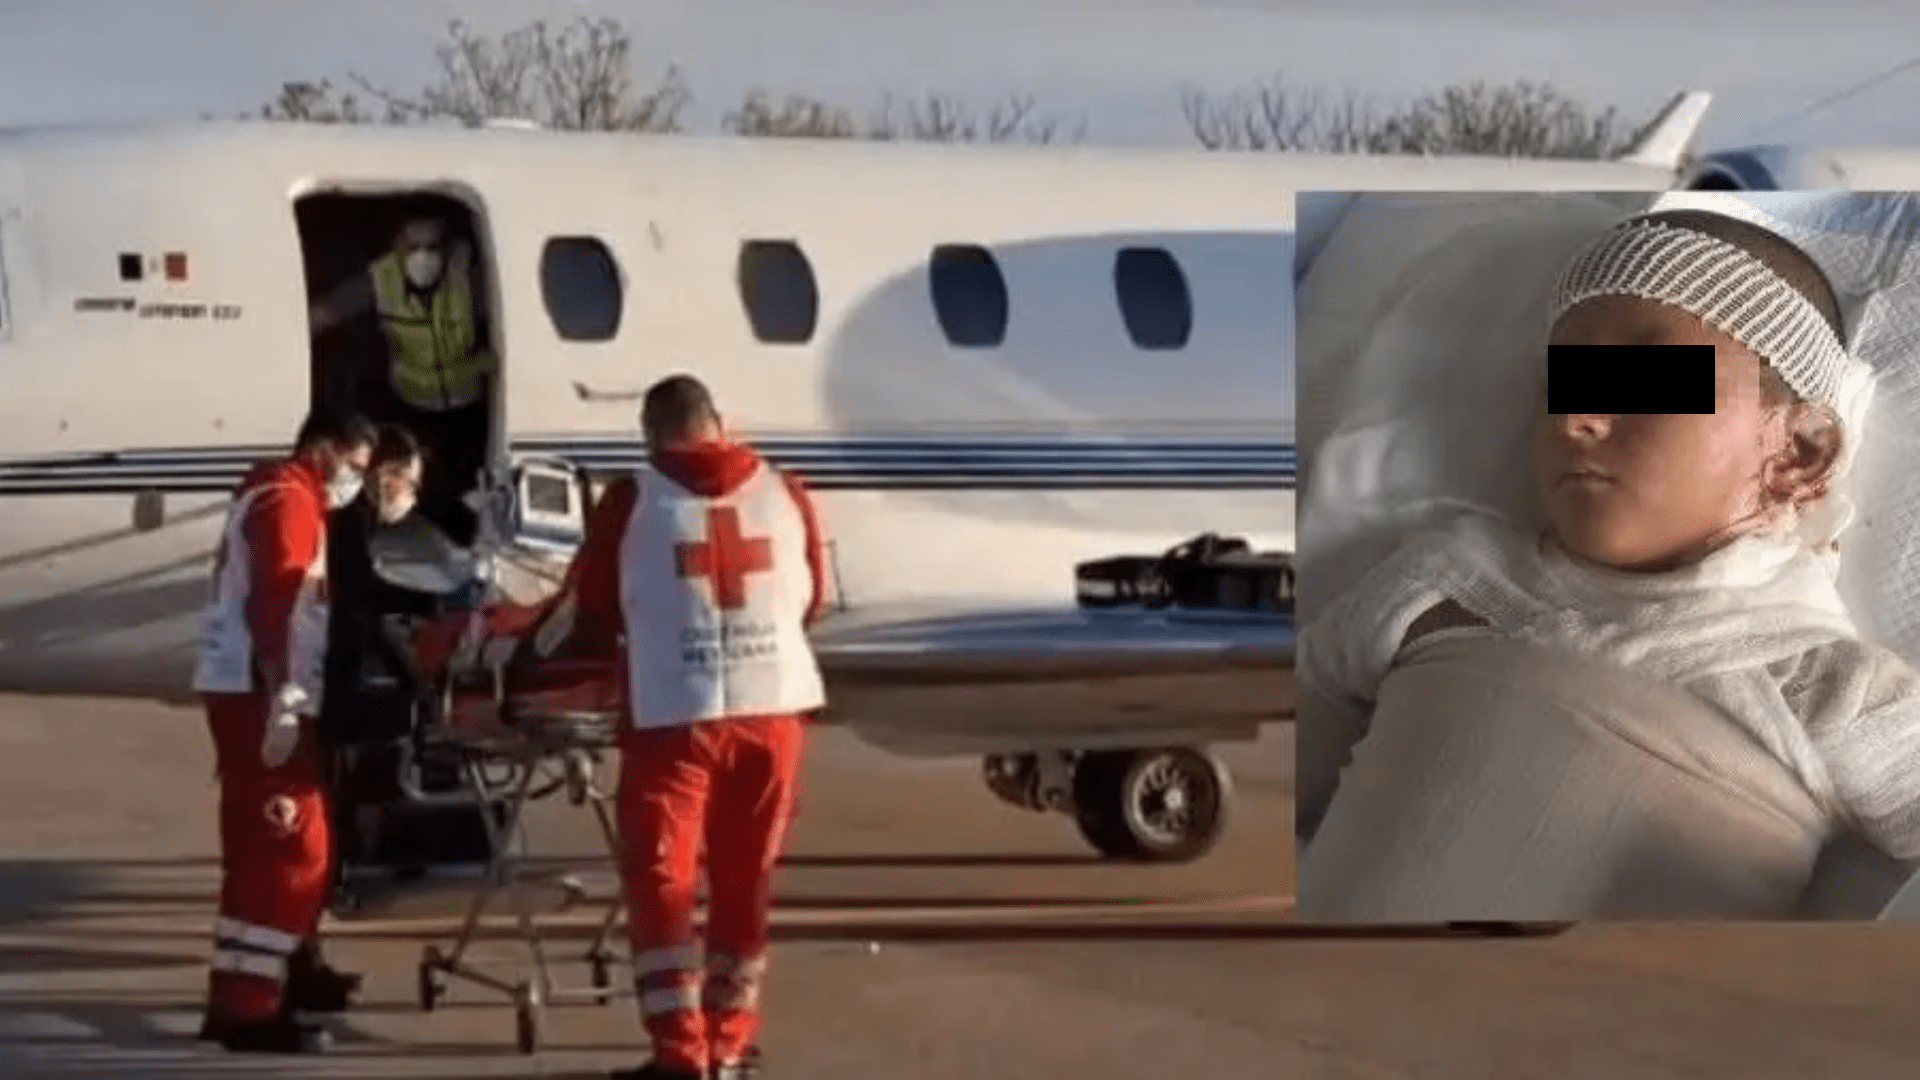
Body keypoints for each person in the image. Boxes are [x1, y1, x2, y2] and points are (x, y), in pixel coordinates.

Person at [1295, 207, 1920, 920]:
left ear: (1798, 453)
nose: (1578, 418)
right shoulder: (1443, 588)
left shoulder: (1820, 683)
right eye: (1562, 385)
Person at [533, 373, 827, 1080]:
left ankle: (680, 1052)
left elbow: (592, 608)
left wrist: (535, 649)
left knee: (664, 883)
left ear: (650, 434)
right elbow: (812, 598)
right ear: (717, 422)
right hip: (774, 711)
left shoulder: (632, 500)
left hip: (675, 718)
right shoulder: (785, 491)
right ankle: (729, 1043)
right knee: (745, 880)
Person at [191, 406, 378, 1054]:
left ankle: (239, 992)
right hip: (263, 697)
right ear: (324, 451)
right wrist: (288, 699)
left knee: (254, 850)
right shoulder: (290, 502)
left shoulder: (266, 492)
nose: (355, 481)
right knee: (296, 850)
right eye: (354, 466)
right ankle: (252, 1008)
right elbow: (281, 603)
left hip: (242, 690)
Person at [309, 207, 497, 548]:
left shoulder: (469, 280)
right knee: (406, 484)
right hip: (411, 403)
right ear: (399, 244)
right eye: (413, 247)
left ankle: (462, 552)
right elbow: (332, 309)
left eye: (432, 247)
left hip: (466, 406)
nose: (422, 257)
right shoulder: (383, 278)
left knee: (461, 494)